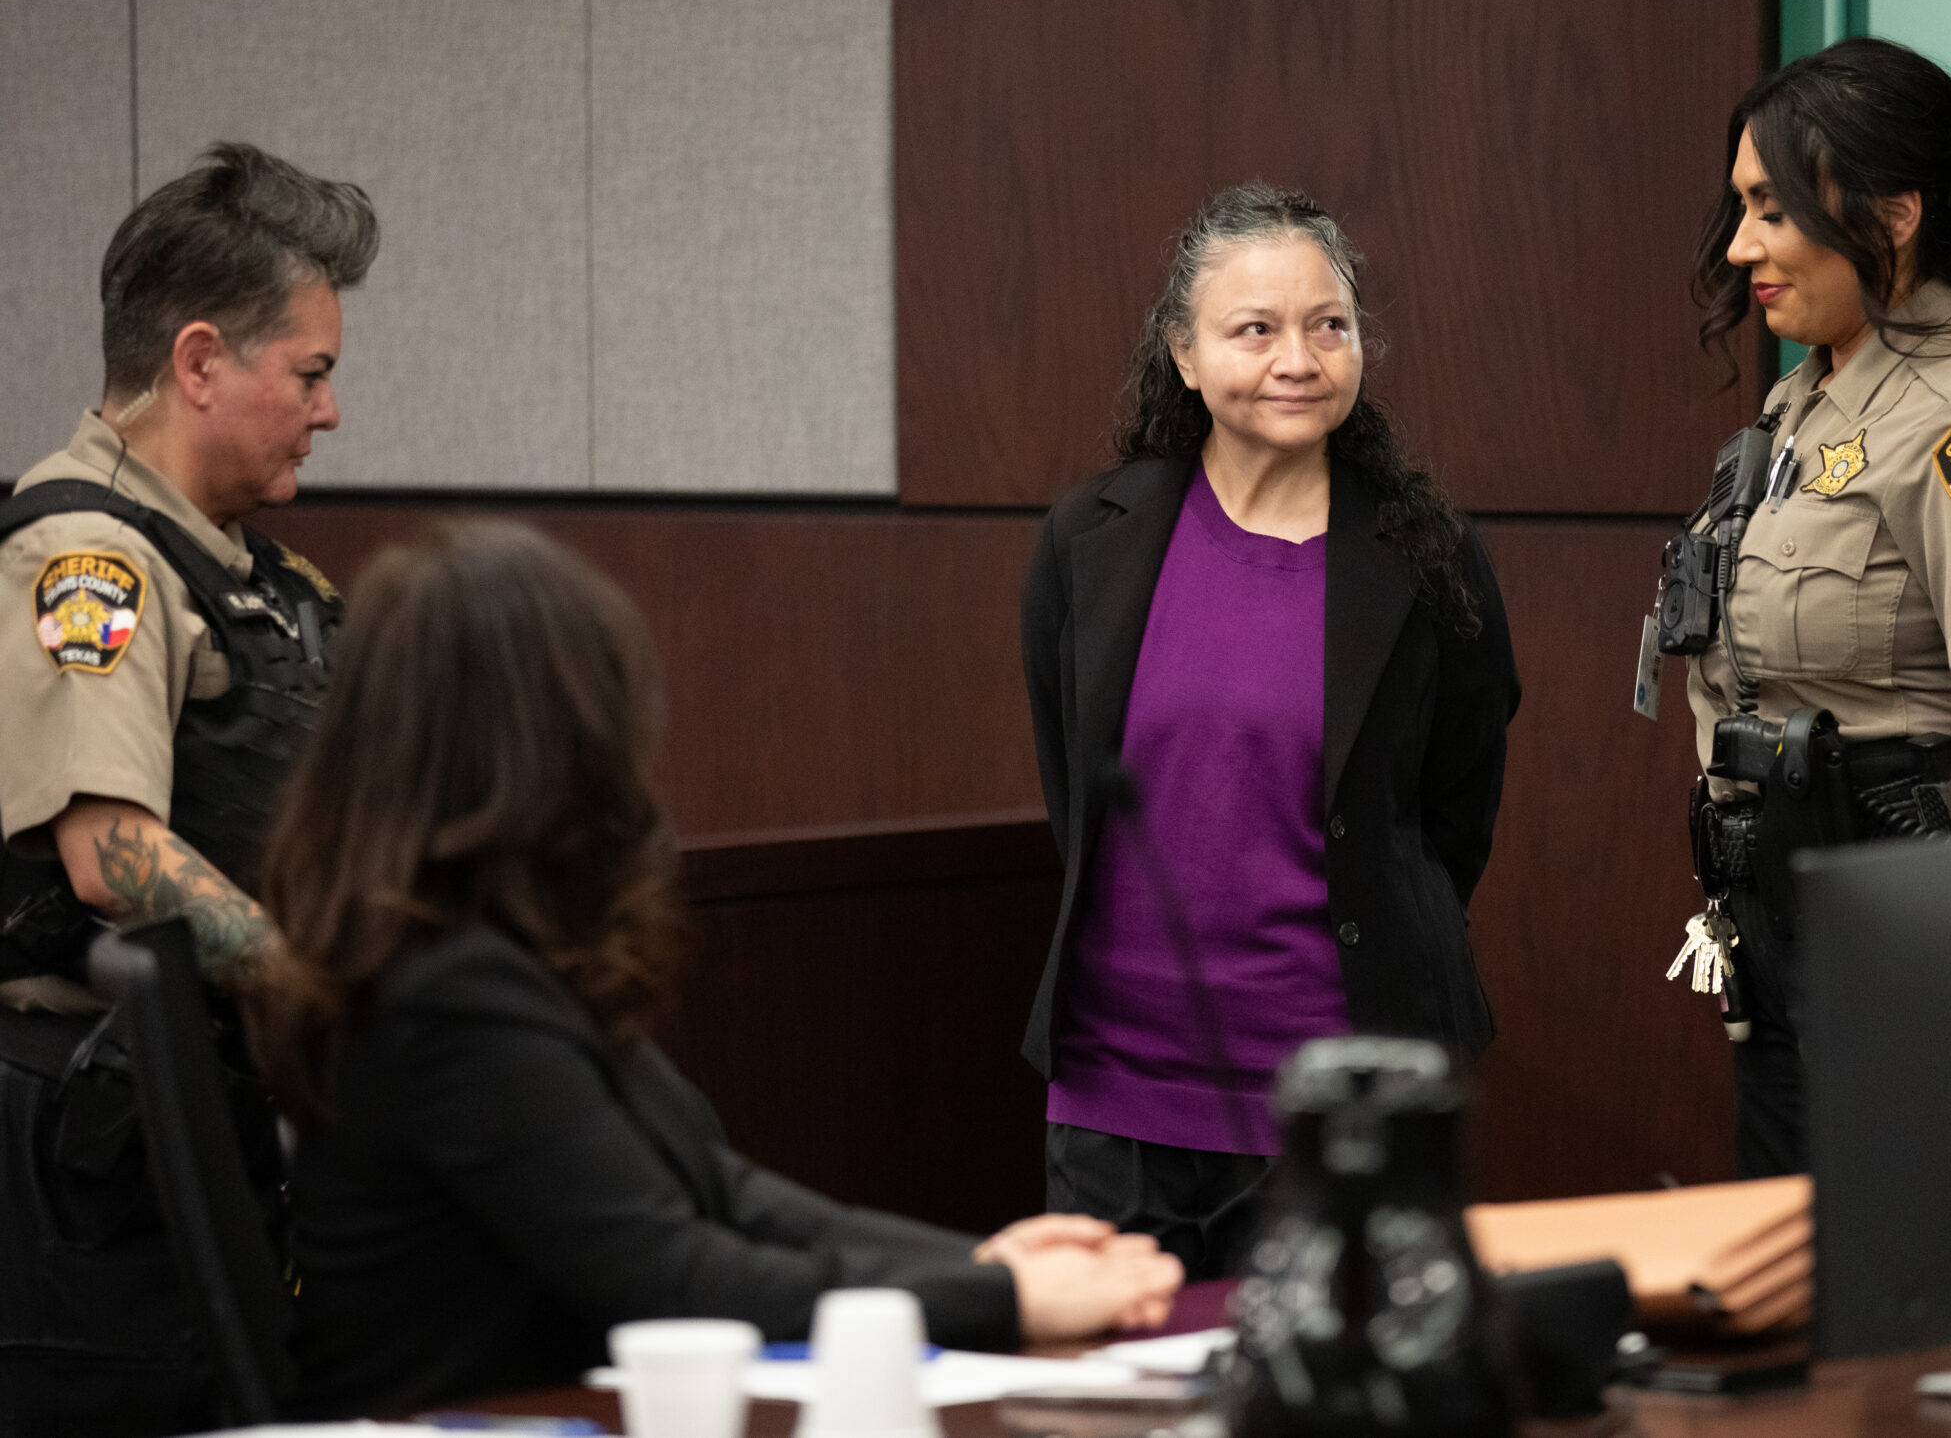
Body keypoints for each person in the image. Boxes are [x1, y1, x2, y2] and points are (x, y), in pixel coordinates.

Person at [251, 520, 1183, 1418]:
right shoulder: (447, 994)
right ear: (545, 740)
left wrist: (981, 1267)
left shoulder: (477, 950)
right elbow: (675, 1274)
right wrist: (1004, 1300)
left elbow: (717, 1189)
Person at [1020, 183, 1520, 1278]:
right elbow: (1080, 792)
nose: (1298, 356)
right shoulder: (1088, 542)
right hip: (1117, 1094)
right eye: (1255, 329)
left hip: (1342, 1097)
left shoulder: (1426, 554)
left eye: (1327, 325)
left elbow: (1449, 807)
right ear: (1184, 355)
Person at [0, 143, 376, 1436]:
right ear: (201, 360)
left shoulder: (253, 572)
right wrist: (324, 989)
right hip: (94, 1165)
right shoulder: (88, 559)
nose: (330, 412)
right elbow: (110, 853)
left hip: (208, 1122)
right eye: (312, 374)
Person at [1671, 37, 1951, 1178]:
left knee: (1889, 1273)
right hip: (1779, 922)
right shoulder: (1806, 394)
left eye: (1770, 209)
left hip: (1905, 924)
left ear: (1892, 216)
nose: (1741, 244)